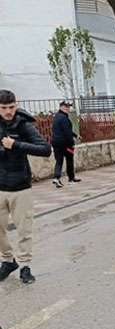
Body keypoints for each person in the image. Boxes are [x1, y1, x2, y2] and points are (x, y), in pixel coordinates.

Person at [0, 89, 52, 284]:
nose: (8, 112)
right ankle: (7, 260)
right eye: (4, 108)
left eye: (11, 107)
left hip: (20, 186)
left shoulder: (23, 124)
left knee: (24, 230)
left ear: (16, 104)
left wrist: (16, 145)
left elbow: (45, 149)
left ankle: (25, 266)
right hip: (0, 186)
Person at [51, 100, 79, 187]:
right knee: (69, 160)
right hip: (66, 144)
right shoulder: (64, 118)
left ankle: (56, 178)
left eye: (69, 107)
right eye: (66, 106)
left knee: (59, 161)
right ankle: (71, 178)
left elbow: (63, 130)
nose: (68, 108)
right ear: (61, 107)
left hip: (56, 143)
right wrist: (72, 143)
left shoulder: (56, 117)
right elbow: (67, 132)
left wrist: (75, 135)